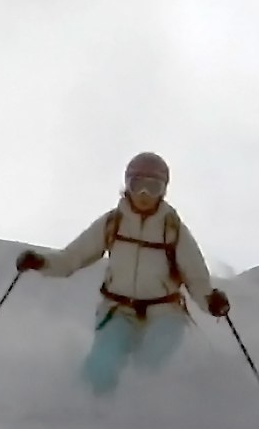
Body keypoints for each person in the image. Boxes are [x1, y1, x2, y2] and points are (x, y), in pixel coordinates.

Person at [16, 152, 230, 396]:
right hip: (119, 310)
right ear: (127, 184)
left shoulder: (173, 230)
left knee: (151, 362)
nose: (144, 194)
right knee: (102, 364)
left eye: (153, 187)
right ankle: (89, 409)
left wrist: (210, 300)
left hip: (165, 313)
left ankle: (141, 413)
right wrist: (41, 262)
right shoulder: (113, 223)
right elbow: (71, 258)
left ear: (164, 190)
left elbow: (196, 278)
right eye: (138, 185)